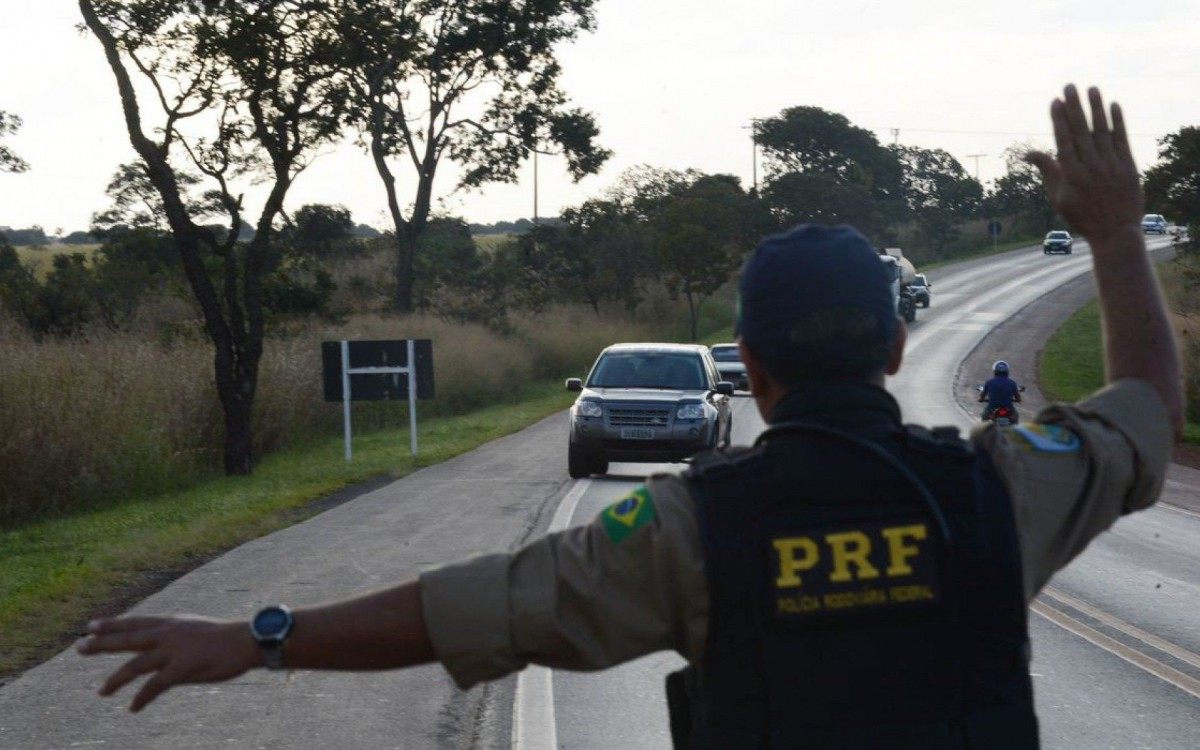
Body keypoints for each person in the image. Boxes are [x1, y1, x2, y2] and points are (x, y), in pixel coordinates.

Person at [78, 85, 1183, 747]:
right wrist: (1118, 235)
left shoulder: (685, 534)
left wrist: (259, 638)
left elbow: (471, 611)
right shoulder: (999, 489)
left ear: (744, 365)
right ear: (898, 348)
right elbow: (1140, 414)